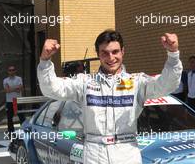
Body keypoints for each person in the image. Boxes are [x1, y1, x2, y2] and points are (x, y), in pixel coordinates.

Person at [37, 30, 183, 164]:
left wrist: (173, 54)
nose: (111, 57)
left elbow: (167, 85)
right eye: (105, 53)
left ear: (123, 52)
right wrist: (45, 60)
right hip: (94, 153)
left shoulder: (137, 82)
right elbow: (51, 89)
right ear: (98, 53)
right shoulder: (85, 82)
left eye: (115, 52)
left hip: (127, 153)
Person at [3, 66, 23, 137]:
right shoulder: (5, 80)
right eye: (10, 70)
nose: (11, 71)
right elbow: (6, 90)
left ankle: (24, 130)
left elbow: (20, 89)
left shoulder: (19, 78)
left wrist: (10, 88)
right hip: (9, 101)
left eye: (13, 70)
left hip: (18, 100)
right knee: (9, 117)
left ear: (15, 71)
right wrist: (15, 88)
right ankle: (11, 132)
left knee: (21, 116)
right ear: (8, 71)